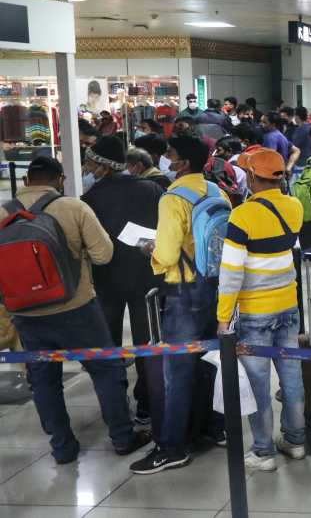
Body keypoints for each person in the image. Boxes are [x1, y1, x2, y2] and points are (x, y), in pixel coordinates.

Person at [7, 156, 150, 464]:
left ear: (27, 180)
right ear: (60, 179)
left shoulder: (4, 213)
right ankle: (122, 437)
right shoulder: (73, 207)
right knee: (106, 371)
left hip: (26, 314)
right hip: (76, 308)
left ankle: (62, 447)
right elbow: (103, 255)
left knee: (43, 380)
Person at [131, 135, 228, 474]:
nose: (166, 159)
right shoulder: (217, 192)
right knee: (214, 361)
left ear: (183, 163)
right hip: (218, 287)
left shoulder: (173, 198)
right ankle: (216, 427)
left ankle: (172, 448)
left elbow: (168, 253)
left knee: (177, 371)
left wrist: (151, 250)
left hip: (185, 292)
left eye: (170, 155)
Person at [215, 149, 307, 472]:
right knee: (292, 378)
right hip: (288, 306)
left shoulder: (241, 216)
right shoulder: (294, 206)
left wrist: (223, 317)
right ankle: (295, 441)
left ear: (252, 177)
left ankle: (264, 451)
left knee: (258, 384)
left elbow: (231, 273)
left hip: (254, 312)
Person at [81, 136, 164, 427]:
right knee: (147, 345)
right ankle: (147, 404)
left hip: (106, 282)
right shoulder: (151, 189)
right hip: (147, 280)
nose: (88, 169)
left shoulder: (89, 199)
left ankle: (116, 409)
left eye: (91, 163)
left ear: (103, 166)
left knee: (109, 347)